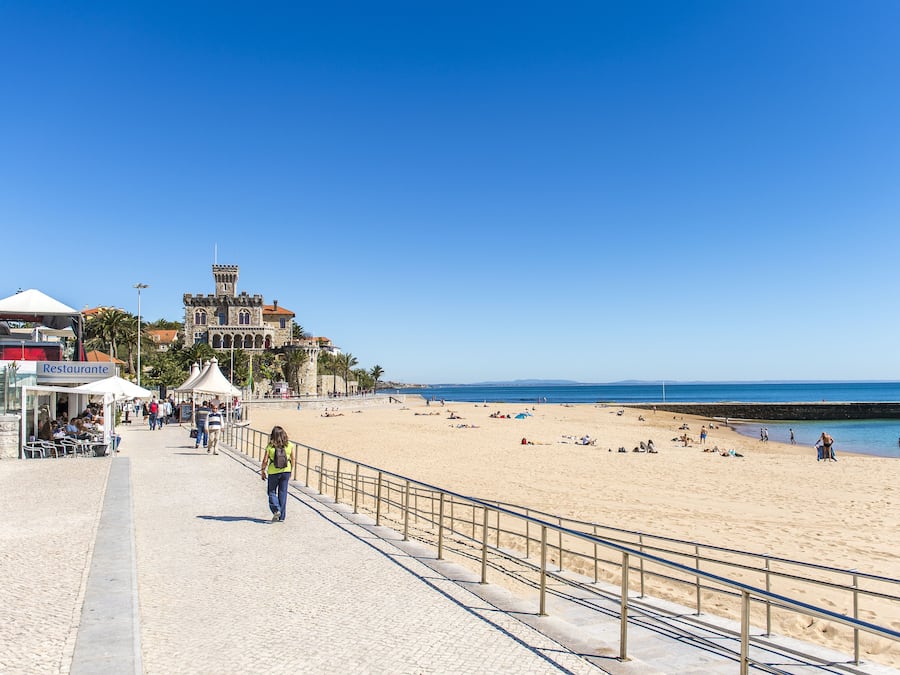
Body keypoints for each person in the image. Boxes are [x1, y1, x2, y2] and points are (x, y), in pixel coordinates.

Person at [260, 426, 294, 522]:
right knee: (283, 493)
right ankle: (282, 517)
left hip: (273, 471)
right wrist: (291, 470)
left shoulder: (270, 446)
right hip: (286, 470)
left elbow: (265, 460)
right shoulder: (289, 445)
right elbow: (293, 458)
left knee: (271, 491)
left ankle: (276, 509)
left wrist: (262, 470)